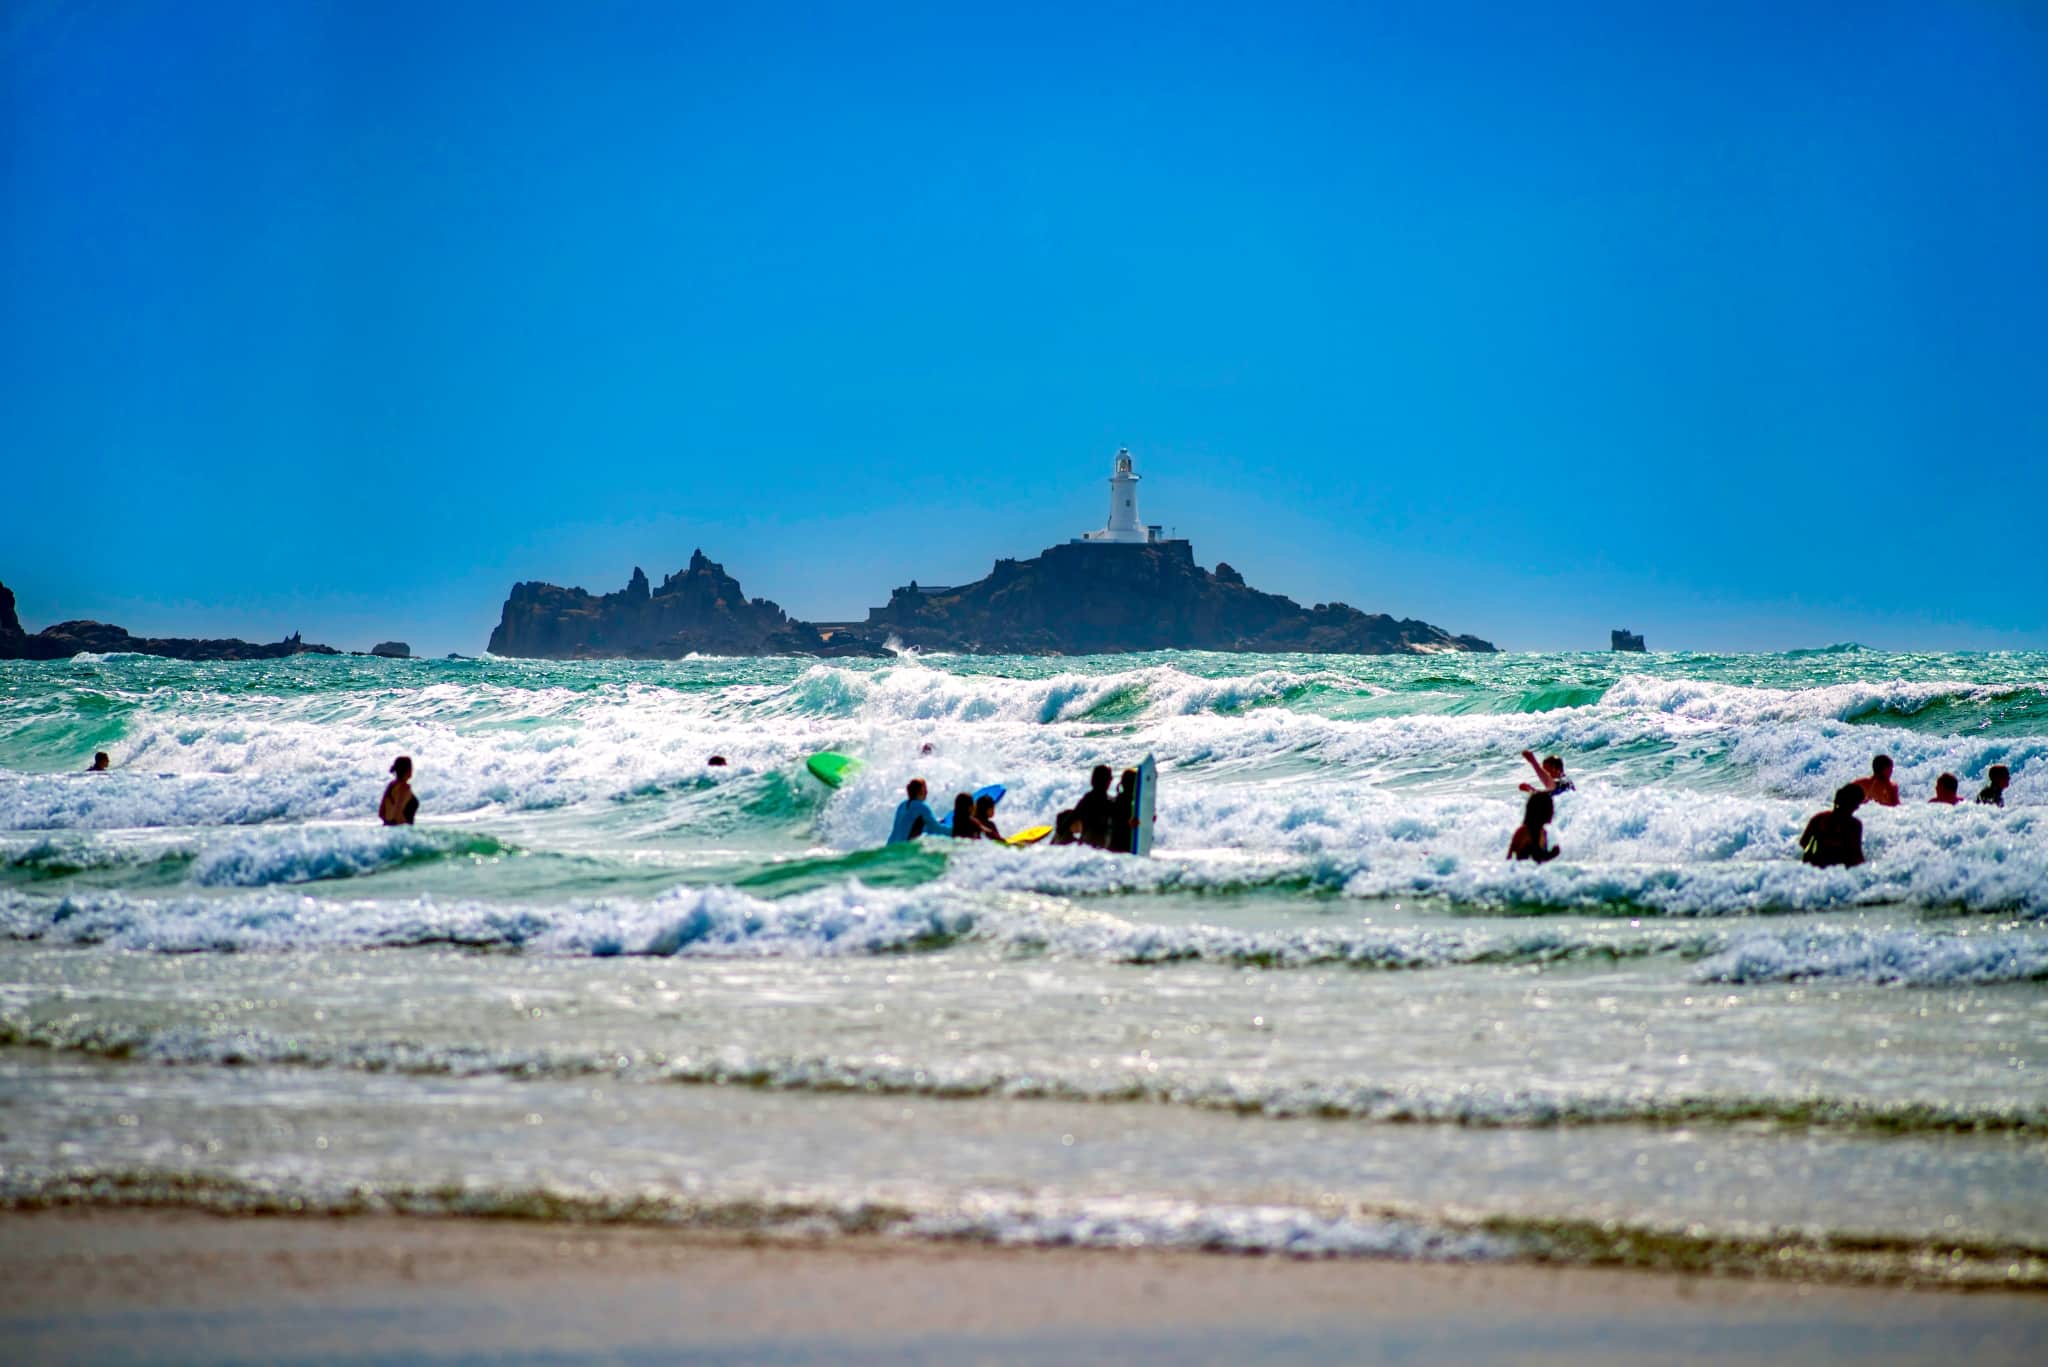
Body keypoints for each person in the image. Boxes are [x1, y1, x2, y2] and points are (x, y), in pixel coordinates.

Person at [1799, 784, 1865, 868]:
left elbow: (1803, 842)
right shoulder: (1854, 825)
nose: (1857, 807)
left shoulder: (1819, 819)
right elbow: (1857, 854)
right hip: (1841, 869)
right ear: (1854, 805)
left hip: (1817, 865)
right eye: (1857, 804)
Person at [1507, 791, 1560, 863]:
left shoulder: (1543, 832)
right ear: (1541, 811)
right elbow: (1511, 860)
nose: (1553, 812)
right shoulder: (1523, 832)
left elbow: (1539, 860)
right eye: (1550, 808)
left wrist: (1551, 855)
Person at [888, 779, 944, 843]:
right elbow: (938, 829)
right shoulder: (922, 807)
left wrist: (937, 822)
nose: (927, 792)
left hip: (890, 846)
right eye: (925, 789)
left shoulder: (902, 805)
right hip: (903, 849)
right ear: (921, 791)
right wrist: (955, 831)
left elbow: (907, 828)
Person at [1074, 765, 1115, 848]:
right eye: (1110, 778)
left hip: (1085, 845)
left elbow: (1070, 819)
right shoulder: (1110, 802)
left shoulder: (1087, 798)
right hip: (1100, 846)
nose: (1111, 781)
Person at [379, 756, 418, 826]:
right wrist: (409, 831)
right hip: (402, 831)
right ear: (409, 770)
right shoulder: (404, 788)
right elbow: (397, 814)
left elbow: (381, 813)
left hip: (387, 828)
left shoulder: (391, 785)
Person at [1108, 768, 1138, 853]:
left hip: (1113, 847)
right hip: (1121, 847)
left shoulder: (1116, 799)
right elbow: (1118, 823)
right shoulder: (1123, 802)